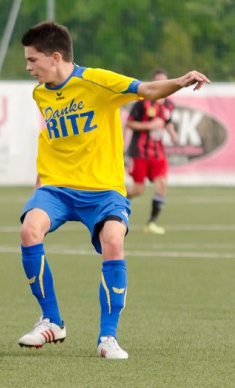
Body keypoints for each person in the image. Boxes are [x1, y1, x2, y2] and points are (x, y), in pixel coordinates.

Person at [18, 21, 209, 359]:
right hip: (58, 187)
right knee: (30, 230)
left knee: (113, 241)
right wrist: (39, 186)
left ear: (55, 56)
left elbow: (147, 89)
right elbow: (52, 139)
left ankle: (108, 338)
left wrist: (180, 81)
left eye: (33, 60)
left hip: (104, 189)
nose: (28, 67)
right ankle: (51, 320)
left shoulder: (97, 81)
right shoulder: (40, 93)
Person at [125, 69, 178, 235]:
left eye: (165, 81)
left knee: (162, 184)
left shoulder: (169, 104)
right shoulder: (142, 103)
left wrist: (172, 132)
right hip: (140, 152)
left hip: (158, 153)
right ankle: (113, 203)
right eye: (159, 81)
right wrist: (149, 126)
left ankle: (151, 222)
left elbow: (167, 121)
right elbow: (129, 124)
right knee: (138, 189)